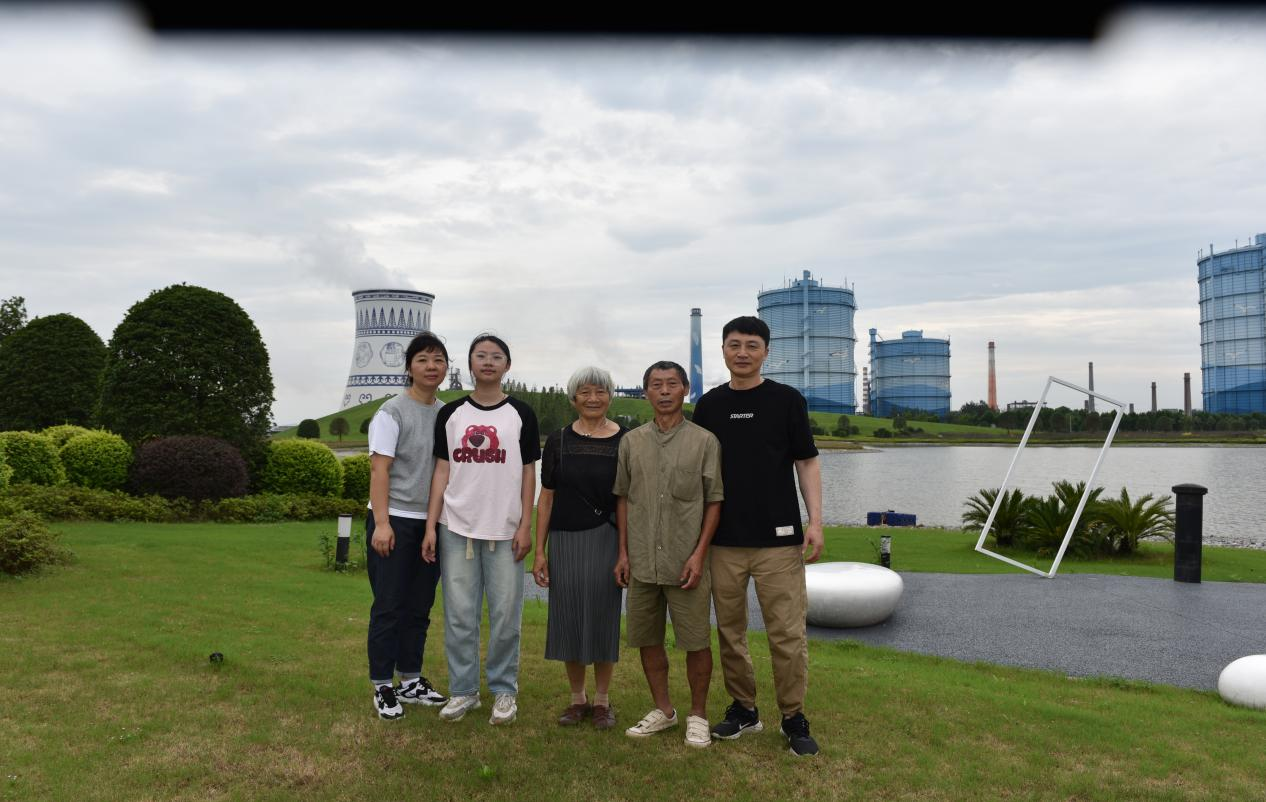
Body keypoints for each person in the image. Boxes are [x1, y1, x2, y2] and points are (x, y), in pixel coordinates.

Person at [691, 315, 825, 757]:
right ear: (723, 350)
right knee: (730, 632)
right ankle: (744, 709)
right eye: (734, 344)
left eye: (752, 345)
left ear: (767, 352)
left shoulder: (787, 400)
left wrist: (815, 521)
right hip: (723, 542)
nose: (742, 352)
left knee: (786, 634)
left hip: (779, 541)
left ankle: (793, 716)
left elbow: (806, 461)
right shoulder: (709, 406)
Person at [422, 333, 540, 726]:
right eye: (481, 355)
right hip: (456, 527)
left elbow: (528, 472)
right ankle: (464, 691)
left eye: (496, 356)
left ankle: (504, 690)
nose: (488, 362)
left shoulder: (520, 413)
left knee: (506, 615)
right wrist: (430, 526)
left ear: (507, 365)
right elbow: (442, 471)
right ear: (470, 363)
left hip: (505, 530)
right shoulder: (451, 414)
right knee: (459, 614)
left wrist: (526, 525)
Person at [613, 361, 723, 749]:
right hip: (642, 560)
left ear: (685, 389)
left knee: (696, 640)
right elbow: (623, 498)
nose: (663, 391)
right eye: (656, 385)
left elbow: (714, 501)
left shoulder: (704, 442)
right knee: (647, 638)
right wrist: (623, 552)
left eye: (671, 384)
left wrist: (699, 554)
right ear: (646, 392)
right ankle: (663, 710)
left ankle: (698, 715)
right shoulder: (631, 442)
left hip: (685, 562)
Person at [532, 366, 627, 730]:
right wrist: (540, 551)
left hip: (607, 537)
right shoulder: (558, 441)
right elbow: (547, 497)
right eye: (585, 392)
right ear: (573, 398)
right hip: (565, 540)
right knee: (568, 616)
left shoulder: (625, 440)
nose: (592, 398)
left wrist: (624, 551)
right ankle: (577, 699)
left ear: (610, 397)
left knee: (603, 617)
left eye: (600, 391)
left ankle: (602, 700)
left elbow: (625, 501)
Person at [364, 332, 450, 720]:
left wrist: (434, 525)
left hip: (430, 522)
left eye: (438, 360)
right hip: (394, 519)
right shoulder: (392, 412)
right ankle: (383, 684)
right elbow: (379, 469)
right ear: (409, 367)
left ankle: (411, 679)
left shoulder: (446, 414)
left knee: (419, 605)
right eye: (423, 360)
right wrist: (382, 524)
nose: (432, 367)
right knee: (389, 605)